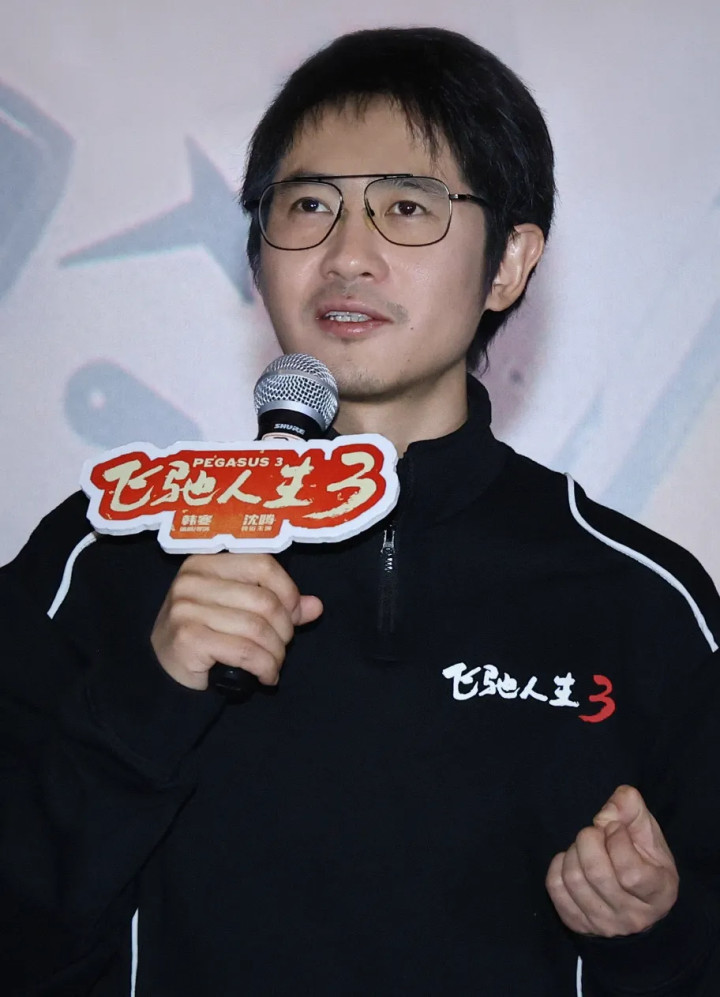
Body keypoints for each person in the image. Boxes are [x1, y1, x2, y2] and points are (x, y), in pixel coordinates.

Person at [2, 25, 720, 997]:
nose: (347, 254)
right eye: (307, 205)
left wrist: (652, 932)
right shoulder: (108, 547)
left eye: (407, 207)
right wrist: (145, 701)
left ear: (509, 262)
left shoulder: (643, 601)